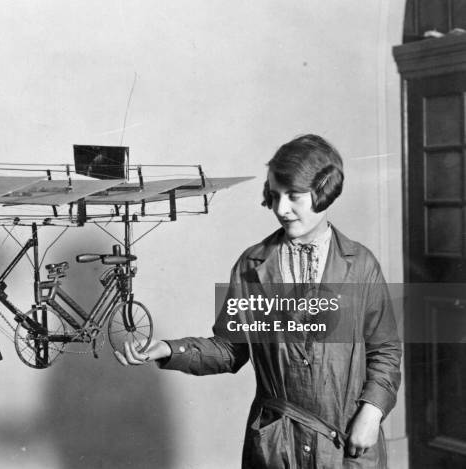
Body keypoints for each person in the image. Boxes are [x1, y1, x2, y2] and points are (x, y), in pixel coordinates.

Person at [115, 134, 402, 468]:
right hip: (275, 446)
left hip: (346, 444)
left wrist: (372, 412)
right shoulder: (252, 267)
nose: (281, 209)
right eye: (275, 195)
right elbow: (230, 349)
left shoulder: (361, 265)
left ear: (324, 191)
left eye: (294, 196)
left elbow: (385, 351)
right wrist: (168, 349)